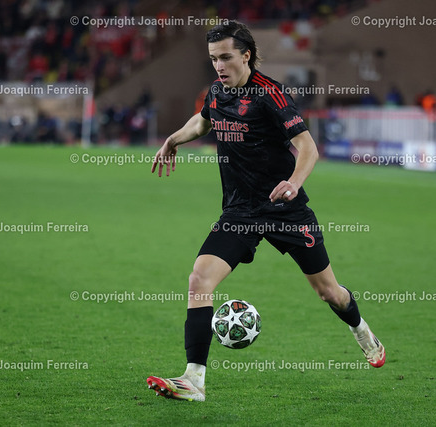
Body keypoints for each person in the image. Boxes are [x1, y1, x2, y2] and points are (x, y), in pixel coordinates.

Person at [147, 21, 385, 402]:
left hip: (285, 209)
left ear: (246, 55)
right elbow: (204, 120)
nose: (219, 66)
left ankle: (361, 329)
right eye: (213, 59)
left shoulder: (270, 95)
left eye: (226, 57)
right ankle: (194, 380)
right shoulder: (217, 92)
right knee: (199, 281)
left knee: (329, 292)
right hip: (239, 213)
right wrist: (173, 140)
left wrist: (294, 182)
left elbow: (308, 148)